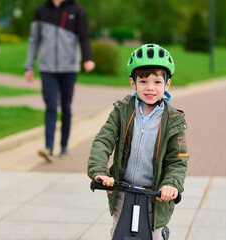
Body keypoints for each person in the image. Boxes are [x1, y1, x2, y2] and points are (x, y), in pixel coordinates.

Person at [87, 44, 189, 240]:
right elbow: (104, 140)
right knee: (119, 233)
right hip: (123, 190)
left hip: (156, 195)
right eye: (143, 81)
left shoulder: (174, 119)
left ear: (167, 84)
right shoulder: (123, 110)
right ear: (133, 83)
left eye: (157, 82)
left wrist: (171, 184)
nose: (150, 87)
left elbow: (178, 160)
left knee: (153, 235)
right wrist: (99, 171)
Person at [25, 0, 95, 162]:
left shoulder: (77, 9)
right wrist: (29, 65)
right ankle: (48, 147)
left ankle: (64, 145)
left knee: (66, 106)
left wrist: (88, 58)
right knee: (50, 106)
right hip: (47, 68)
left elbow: (84, 36)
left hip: (69, 68)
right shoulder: (41, 10)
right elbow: (34, 40)